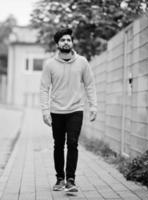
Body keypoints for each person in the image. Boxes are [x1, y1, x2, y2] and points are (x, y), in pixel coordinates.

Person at [39, 28, 97, 192]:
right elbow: (44, 89)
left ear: (72, 43)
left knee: (72, 143)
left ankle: (70, 180)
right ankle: (59, 179)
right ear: (58, 44)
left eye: (69, 40)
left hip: (75, 110)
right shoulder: (50, 64)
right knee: (58, 145)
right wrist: (45, 111)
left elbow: (90, 85)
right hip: (56, 111)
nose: (66, 42)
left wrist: (93, 106)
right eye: (63, 40)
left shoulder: (82, 62)